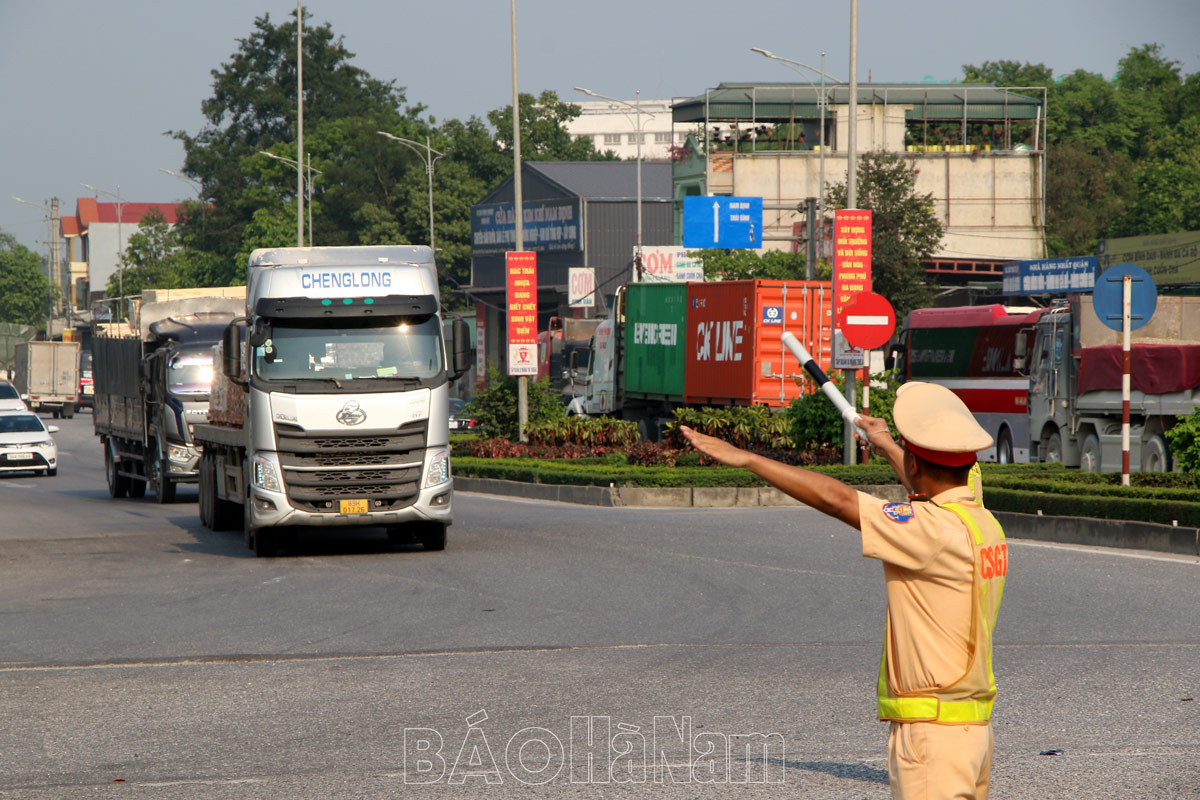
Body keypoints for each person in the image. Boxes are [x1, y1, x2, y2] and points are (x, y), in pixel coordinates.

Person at [680, 381, 1007, 800]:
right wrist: (886, 440)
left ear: (915, 464)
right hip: (975, 732)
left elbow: (837, 499)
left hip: (932, 737)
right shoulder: (981, 521)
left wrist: (747, 459)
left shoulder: (931, 531)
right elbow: (924, 484)